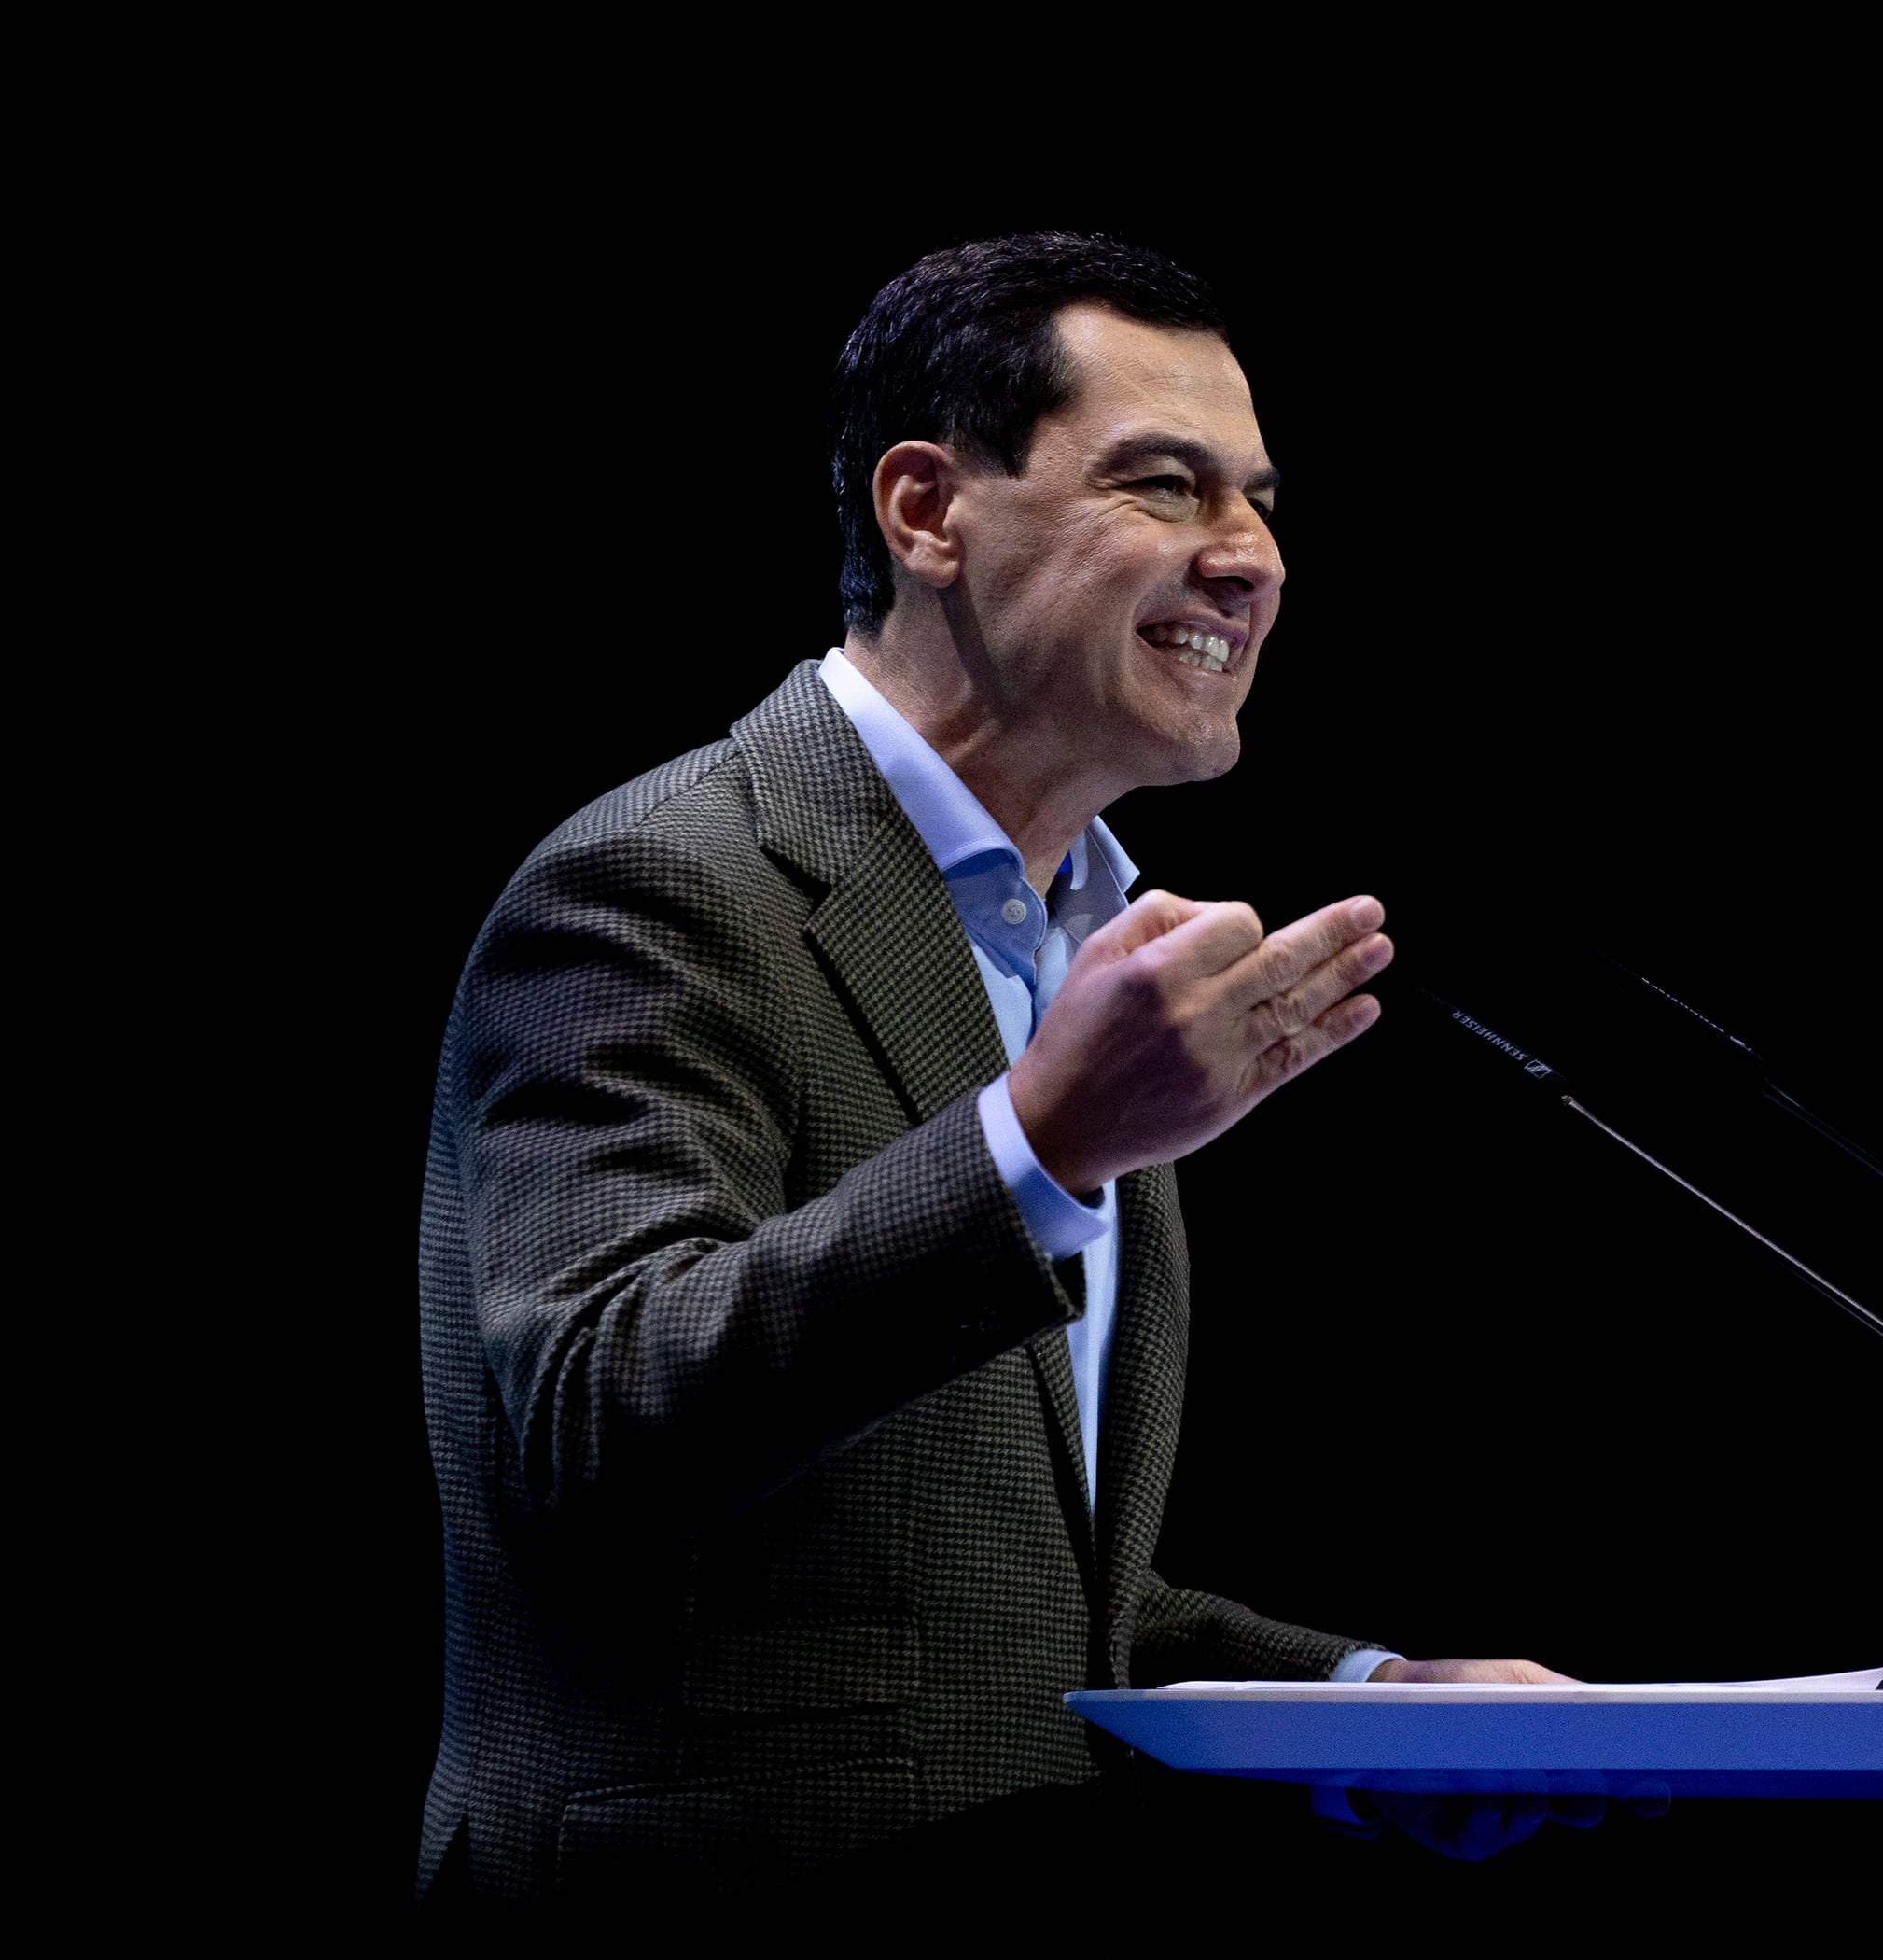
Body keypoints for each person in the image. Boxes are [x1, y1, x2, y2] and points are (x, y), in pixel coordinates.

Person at [416, 232, 1564, 1908]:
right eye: (1164, 488)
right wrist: (1033, 1145)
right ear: (927, 513)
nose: (1250, 560)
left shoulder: (1075, 939)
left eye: (1257, 499)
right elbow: (596, 1431)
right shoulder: (662, 886)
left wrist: (1366, 1702)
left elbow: (984, 1582)